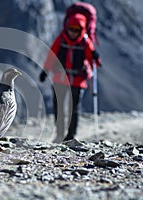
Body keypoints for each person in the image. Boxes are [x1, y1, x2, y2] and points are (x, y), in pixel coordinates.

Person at [40, 13, 99, 143]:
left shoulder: (85, 42)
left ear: (81, 29)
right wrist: (45, 70)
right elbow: (52, 55)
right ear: (66, 27)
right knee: (58, 107)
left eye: (76, 30)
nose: (73, 32)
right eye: (71, 29)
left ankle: (70, 135)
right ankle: (60, 133)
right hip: (59, 78)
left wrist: (96, 57)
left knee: (74, 108)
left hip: (78, 80)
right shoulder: (60, 39)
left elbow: (94, 62)